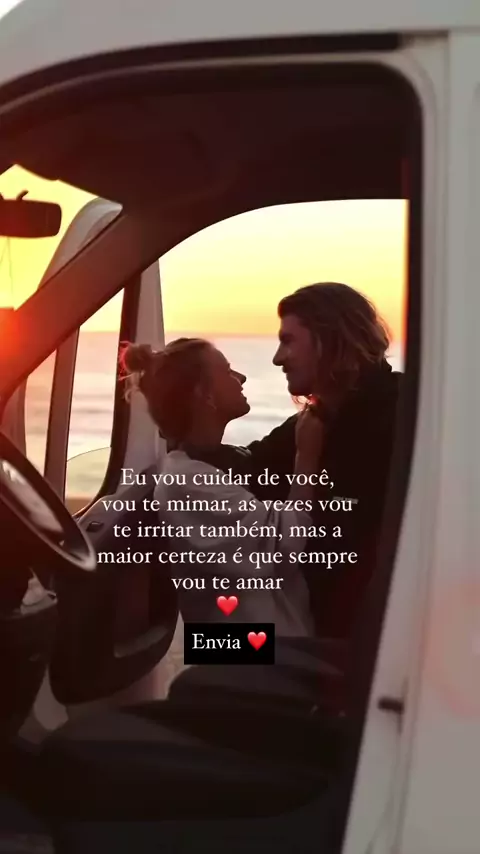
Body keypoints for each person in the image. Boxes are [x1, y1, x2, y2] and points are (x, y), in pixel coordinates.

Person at [119, 337, 323, 637]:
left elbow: (263, 454)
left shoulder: (213, 462)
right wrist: (307, 457)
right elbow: (283, 545)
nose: (241, 377)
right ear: (204, 394)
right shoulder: (187, 483)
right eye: (227, 371)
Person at [246, 282, 402, 640]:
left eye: (288, 341)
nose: (277, 359)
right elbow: (246, 468)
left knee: (208, 656)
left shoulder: (402, 416)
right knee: (208, 647)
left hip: (355, 644)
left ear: (330, 339)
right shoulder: (317, 421)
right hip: (311, 630)